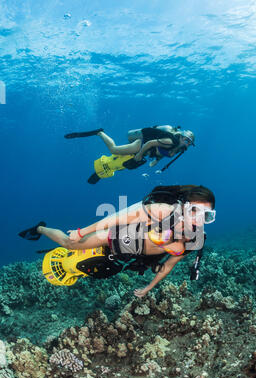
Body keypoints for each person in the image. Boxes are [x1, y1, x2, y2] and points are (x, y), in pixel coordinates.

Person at [19, 185, 215, 297]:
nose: (198, 219)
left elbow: (169, 265)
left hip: (130, 257)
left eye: (206, 216)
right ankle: (40, 228)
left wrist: (149, 287)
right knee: (69, 244)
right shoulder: (163, 212)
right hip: (116, 237)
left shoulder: (195, 240)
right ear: (183, 206)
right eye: (194, 211)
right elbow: (117, 218)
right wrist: (82, 232)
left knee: (95, 270)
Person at [65, 125, 195, 183]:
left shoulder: (178, 148)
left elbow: (162, 150)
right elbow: (150, 144)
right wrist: (139, 155)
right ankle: (99, 132)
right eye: (187, 140)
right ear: (182, 137)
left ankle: (104, 169)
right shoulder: (171, 140)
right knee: (114, 150)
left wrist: (156, 160)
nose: (187, 144)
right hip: (140, 144)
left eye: (190, 143)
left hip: (144, 151)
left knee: (124, 165)